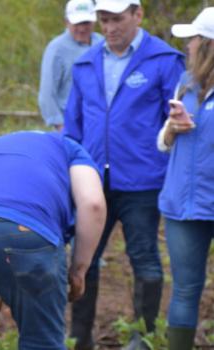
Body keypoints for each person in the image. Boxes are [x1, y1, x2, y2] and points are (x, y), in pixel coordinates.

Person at [63, 0, 186, 349]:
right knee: (83, 260)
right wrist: (70, 168)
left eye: (117, 19)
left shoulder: (164, 60)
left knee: (144, 256)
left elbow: (176, 120)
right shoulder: (85, 63)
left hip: (142, 181)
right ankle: (79, 336)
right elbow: (73, 125)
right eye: (104, 19)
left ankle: (143, 337)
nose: (110, 27)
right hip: (91, 181)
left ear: (137, 15)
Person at [0, 131, 106, 349]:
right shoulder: (69, 147)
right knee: (41, 343)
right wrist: (79, 270)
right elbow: (93, 204)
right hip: (27, 232)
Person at [156, 7, 214, 349]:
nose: (187, 46)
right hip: (184, 203)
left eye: (193, 39)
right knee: (185, 289)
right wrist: (172, 129)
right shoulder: (185, 84)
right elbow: (162, 144)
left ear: (207, 45)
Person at [38, 0, 103, 130]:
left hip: (98, 123)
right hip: (70, 124)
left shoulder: (102, 43)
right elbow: (47, 93)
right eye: (77, 23)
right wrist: (61, 127)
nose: (82, 28)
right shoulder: (57, 49)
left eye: (86, 22)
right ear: (67, 22)